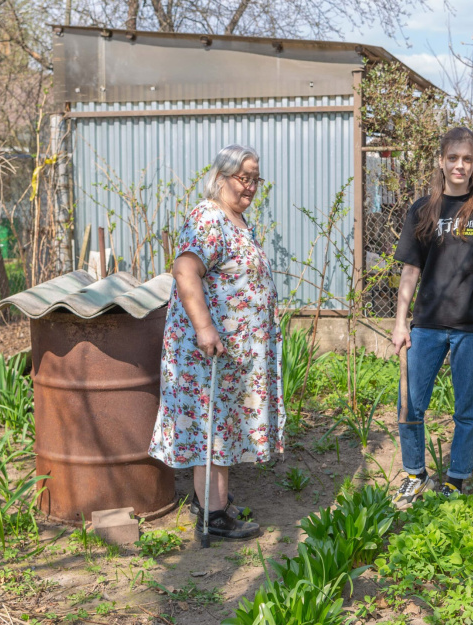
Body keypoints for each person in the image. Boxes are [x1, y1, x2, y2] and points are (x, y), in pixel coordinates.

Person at [149, 144, 286, 540]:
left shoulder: (238, 220)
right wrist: (206, 327)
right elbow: (185, 269)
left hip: (233, 355)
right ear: (221, 177)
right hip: (207, 350)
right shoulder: (209, 216)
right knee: (213, 426)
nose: (250, 187)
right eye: (244, 178)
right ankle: (213, 516)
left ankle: (212, 501)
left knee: (222, 424)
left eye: (255, 179)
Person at [390, 126, 473, 507]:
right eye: (453, 158)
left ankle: (456, 480)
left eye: (468, 159)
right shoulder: (421, 210)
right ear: (441, 161)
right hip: (426, 326)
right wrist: (400, 321)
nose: (460, 166)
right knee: (410, 404)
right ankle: (414, 473)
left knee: (467, 412)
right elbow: (410, 270)